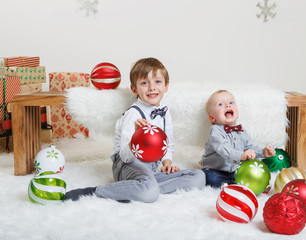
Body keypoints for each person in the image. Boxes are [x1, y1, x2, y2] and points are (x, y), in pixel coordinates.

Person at [65, 57, 205, 202]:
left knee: (199, 177)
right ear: (134, 89)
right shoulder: (134, 114)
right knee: (148, 193)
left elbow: (167, 142)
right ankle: (97, 192)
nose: (152, 87)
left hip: (151, 168)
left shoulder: (164, 112)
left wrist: (167, 163)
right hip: (128, 165)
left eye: (157, 81)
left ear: (166, 86)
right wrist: (137, 137)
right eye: (144, 83)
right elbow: (125, 156)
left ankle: (141, 188)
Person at [201, 90, 276, 188]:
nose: (227, 106)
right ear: (212, 118)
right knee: (211, 178)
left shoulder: (241, 130)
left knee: (247, 176)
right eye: (220, 104)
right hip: (215, 169)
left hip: (235, 170)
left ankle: (240, 185)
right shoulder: (215, 131)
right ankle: (227, 187)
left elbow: (249, 148)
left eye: (231, 103)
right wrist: (241, 155)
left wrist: (262, 152)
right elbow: (224, 149)